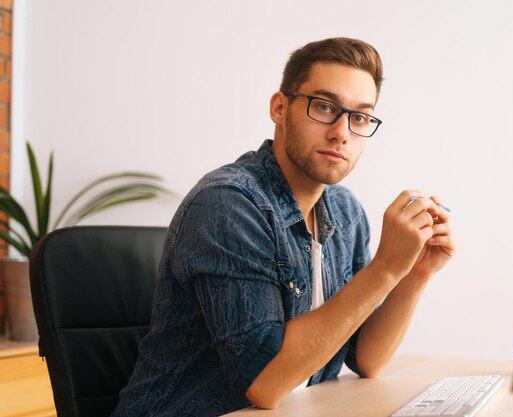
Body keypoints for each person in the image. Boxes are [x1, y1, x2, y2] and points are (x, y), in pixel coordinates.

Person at [113, 37, 455, 417]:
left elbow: (367, 359)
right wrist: (385, 267)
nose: (342, 131)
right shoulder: (228, 204)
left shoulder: (345, 212)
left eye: (359, 117)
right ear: (280, 107)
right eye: (324, 107)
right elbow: (263, 381)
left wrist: (413, 274)